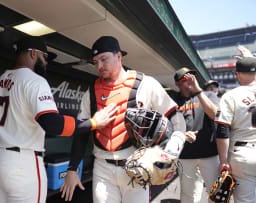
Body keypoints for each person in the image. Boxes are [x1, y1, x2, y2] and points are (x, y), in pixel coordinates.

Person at [0, 37, 118, 203]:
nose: (46, 63)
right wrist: (94, 123)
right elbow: (52, 123)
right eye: (44, 57)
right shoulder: (34, 80)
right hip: (22, 163)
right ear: (33, 53)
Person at [60, 36, 193, 203]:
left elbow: (175, 115)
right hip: (102, 168)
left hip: (138, 166)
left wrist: (175, 145)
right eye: (95, 62)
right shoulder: (92, 91)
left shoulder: (146, 83)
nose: (99, 66)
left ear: (118, 56)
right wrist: (72, 169)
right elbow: (82, 131)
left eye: (103, 59)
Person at [171, 67, 219, 203]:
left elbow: (215, 115)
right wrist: (181, 134)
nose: (191, 81)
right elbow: (168, 125)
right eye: (187, 80)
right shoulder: (174, 99)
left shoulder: (208, 95)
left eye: (193, 78)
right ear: (178, 84)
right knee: (188, 195)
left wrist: (198, 91)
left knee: (215, 192)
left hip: (209, 153)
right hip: (185, 155)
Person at [215, 56, 256, 202]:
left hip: (243, 155)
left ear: (237, 73)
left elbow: (222, 130)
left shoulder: (231, 96)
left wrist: (223, 161)